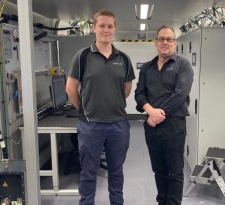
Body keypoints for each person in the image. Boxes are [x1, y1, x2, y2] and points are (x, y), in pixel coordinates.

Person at [66, 10, 135, 205]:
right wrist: (85, 108)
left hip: (118, 125)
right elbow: (71, 89)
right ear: (94, 28)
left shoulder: (123, 58)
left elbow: (126, 89)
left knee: (116, 171)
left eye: (110, 26)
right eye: (102, 25)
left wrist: (111, 101)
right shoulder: (82, 56)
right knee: (88, 172)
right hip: (91, 125)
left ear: (114, 29)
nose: (106, 30)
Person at [134, 25, 193, 205]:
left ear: (175, 42)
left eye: (169, 39)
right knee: (158, 169)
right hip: (152, 127)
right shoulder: (147, 68)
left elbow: (180, 94)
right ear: (155, 42)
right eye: (161, 39)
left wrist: (158, 115)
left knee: (174, 171)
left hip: (174, 126)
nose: (165, 42)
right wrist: (150, 112)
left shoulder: (183, 65)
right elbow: (139, 93)